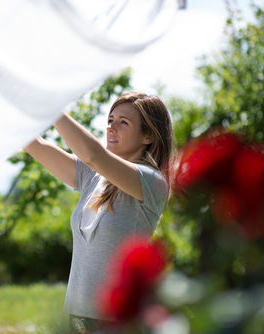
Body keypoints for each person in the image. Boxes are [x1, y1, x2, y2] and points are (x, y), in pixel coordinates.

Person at [24, 92, 174, 333]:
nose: (111, 128)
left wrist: (50, 103)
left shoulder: (152, 182)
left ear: (148, 136)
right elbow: (36, 145)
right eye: (110, 120)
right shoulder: (93, 176)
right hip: (76, 316)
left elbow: (93, 154)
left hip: (115, 322)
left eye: (123, 122)